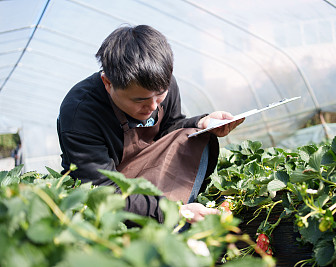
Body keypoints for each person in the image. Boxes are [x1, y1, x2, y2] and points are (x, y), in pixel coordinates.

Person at [57, 25, 243, 225]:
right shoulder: (80, 112)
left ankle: (182, 212)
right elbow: (100, 190)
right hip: (107, 191)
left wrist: (202, 122)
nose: (153, 106)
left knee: (195, 136)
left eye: (160, 94)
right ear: (108, 83)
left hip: (147, 177)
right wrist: (175, 212)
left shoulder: (164, 83)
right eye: (140, 100)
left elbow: (171, 128)